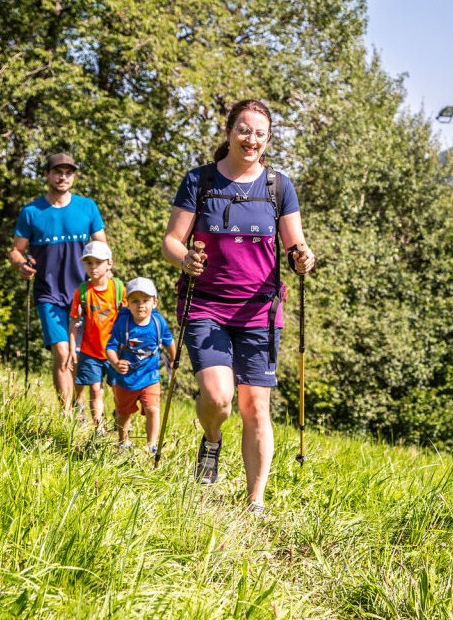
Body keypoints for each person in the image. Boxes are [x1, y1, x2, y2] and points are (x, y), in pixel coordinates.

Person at [162, 99, 315, 514]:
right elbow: (172, 240)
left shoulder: (278, 186)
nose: (251, 139)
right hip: (206, 305)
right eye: (244, 130)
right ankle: (212, 440)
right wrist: (184, 260)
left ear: (268, 140)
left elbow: (295, 244)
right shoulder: (201, 181)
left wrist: (303, 257)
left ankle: (255, 502)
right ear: (229, 131)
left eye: (260, 134)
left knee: (256, 406)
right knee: (218, 398)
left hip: (259, 311)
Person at [8, 153, 108, 412]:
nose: (63, 177)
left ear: (73, 177)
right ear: (47, 175)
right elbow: (16, 250)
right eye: (57, 172)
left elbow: (102, 246)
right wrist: (21, 265)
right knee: (62, 353)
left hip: (82, 294)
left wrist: (105, 278)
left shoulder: (87, 207)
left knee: (78, 355)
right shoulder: (31, 212)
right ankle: (67, 415)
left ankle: (77, 406)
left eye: (68, 172)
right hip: (47, 293)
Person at [105, 278, 176, 453]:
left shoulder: (159, 323)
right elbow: (110, 347)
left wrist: (174, 359)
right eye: (135, 301)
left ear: (154, 302)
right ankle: (123, 443)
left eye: (145, 300)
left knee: (153, 409)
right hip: (126, 379)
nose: (141, 305)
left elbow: (169, 341)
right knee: (124, 413)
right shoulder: (123, 324)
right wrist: (115, 363)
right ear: (127, 304)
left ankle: (151, 446)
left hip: (151, 376)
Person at [66, 241, 125, 431]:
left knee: (117, 388)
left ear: (109, 264)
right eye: (88, 262)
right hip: (90, 350)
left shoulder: (118, 290)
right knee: (95, 389)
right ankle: (98, 429)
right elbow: (74, 322)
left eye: (98, 262)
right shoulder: (82, 292)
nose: (93, 267)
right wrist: (72, 349)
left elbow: (128, 317)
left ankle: (119, 416)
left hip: (115, 351)